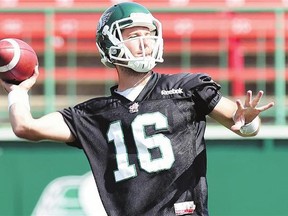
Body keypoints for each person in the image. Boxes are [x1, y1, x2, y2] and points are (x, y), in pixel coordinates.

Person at [1, 2, 274, 216]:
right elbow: (26, 127)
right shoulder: (94, 114)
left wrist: (248, 123)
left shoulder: (187, 88)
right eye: (133, 35)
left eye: (149, 34)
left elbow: (241, 123)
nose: (145, 42)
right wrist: (18, 91)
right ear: (110, 43)